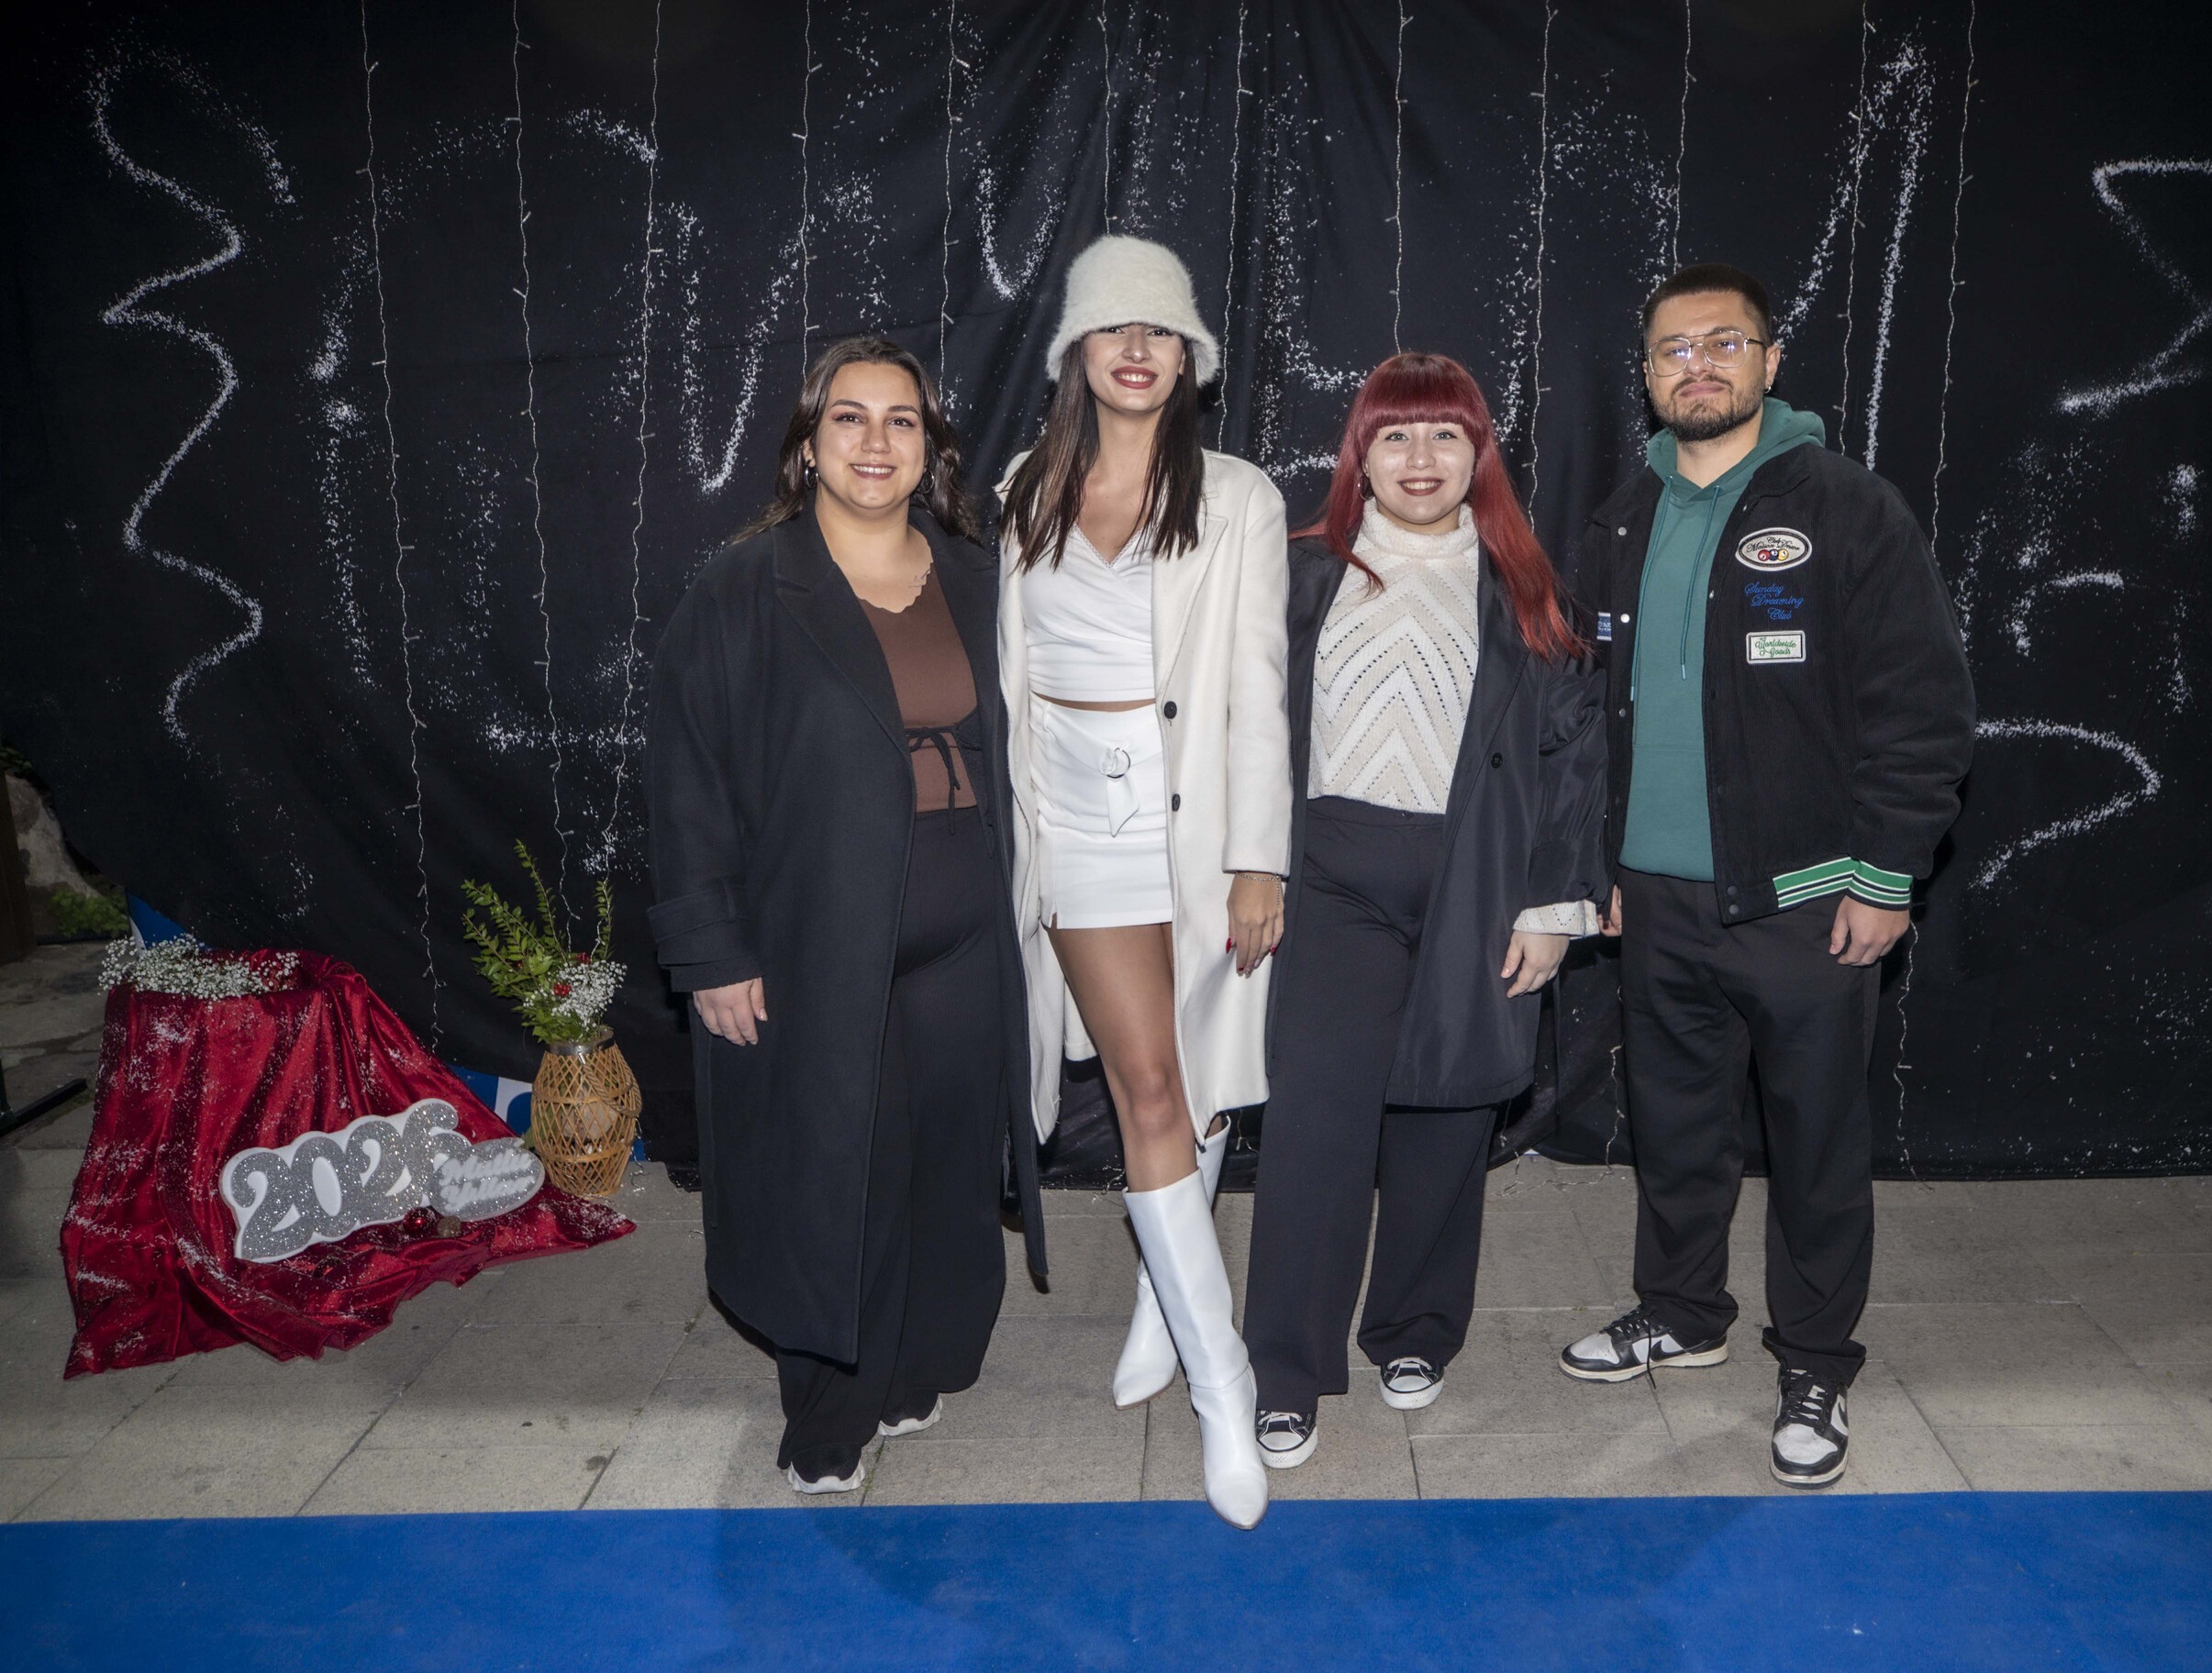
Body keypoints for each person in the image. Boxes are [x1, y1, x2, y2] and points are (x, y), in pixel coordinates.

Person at [1562, 262, 1973, 1488]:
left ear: (1770, 359)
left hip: (1807, 899)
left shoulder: (1846, 507)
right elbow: (1588, 710)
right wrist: (1601, 860)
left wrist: (1886, 875)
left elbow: (1921, 708)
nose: (1698, 366)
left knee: (1815, 1147)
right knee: (1676, 1128)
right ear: (1647, 375)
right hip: (1657, 899)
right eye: (1673, 350)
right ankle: (1683, 1312)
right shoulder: (1621, 517)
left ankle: (1815, 1364)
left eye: (1723, 343)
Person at [644, 337, 1037, 1495]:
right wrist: (711, 950)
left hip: (970, 929)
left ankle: (916, 1365)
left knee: (946, 1159)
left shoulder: (982, 577)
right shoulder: (744, 588)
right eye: (849, 418)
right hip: (816, 939)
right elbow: (689, 781)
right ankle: (829, 1408)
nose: (876, 441)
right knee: (833, 1169)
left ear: (932, 447)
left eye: (901, 420)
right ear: (808, 446)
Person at [1241, 353, 1606, 1468]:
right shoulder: (1298, 573)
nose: (1420, 458)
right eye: (1395, 435)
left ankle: (1414, 1330)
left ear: (1478, 454)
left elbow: (1572, 755)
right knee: (1316, 1125)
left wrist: (1553, 906)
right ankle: (1286, 1370)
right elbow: (1238, 727)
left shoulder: (1523, 588)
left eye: (1446, 434)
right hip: (1331, 879)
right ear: (1361, 454)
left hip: (1477, 876)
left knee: (1449, 1112)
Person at [996, 235, 1289, 1529]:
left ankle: (1167, 1310)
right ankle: (1225, 1381)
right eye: (1115, 328)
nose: (1136, 348)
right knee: (1151, 1084)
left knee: (1203, 1073)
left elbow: (1259, 691)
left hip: (1199, 822)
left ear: (1189, 359)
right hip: (1077, 828)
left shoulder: (1237, 496)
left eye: (1161, 331)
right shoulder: (1023, 488)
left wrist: (1258, 856)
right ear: (1077, 350)